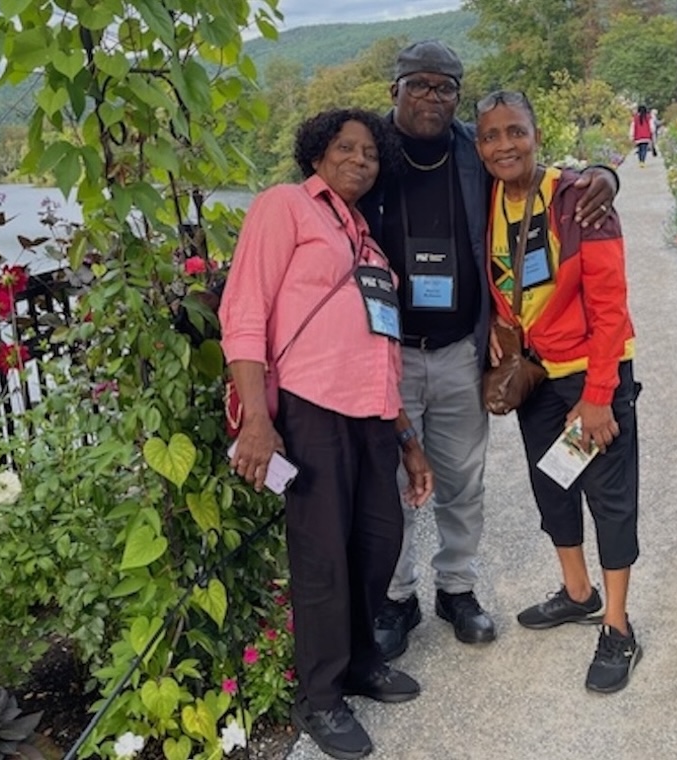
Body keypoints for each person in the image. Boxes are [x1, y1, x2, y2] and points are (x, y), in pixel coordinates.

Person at [360, 40, 621, 661]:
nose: (431, 96)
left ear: (458, 96)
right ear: (392, 89)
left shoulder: (473, 151)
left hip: (458, 349)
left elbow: (539, 168)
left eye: (445, 86)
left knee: (461, 480)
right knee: (393, 481)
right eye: (418, 84)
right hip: (386, 352)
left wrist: (606, 176)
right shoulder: (367, 150)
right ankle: (397, 598)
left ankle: (457, 588)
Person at [221, 108, 435, 760]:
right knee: (321, 559)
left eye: (370, 152)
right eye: (345, 147)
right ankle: (320, 696)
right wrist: (258, 418)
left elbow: (383, 345)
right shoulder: (284, 206)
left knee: (379, 540)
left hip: (372, 412)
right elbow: (244, 309)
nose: (359, 159)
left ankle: (362, 660)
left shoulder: (367, 235)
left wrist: (406, 436)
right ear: (318, 153)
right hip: (310, 409)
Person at [476, 90, 643, 694]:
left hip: (590, 378)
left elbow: (609, 304)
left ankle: (619, 628)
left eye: (514, 132)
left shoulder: (580, 201)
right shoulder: (487, 196)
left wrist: (598, 394)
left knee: (609, 496)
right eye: (491, 136)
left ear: (536, 132)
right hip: (539, 379)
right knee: (553, 483)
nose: (504, 146)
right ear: (479, 146)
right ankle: (578, 592)